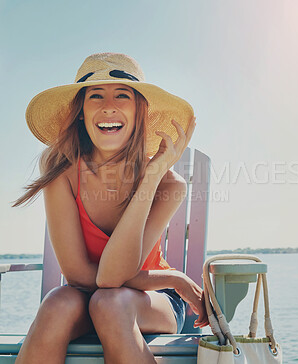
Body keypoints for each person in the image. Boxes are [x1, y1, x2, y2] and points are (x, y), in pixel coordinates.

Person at [13, 53, 208, 364]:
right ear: (80, 111)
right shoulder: (61, 173)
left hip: (150, 301)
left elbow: (115, 280)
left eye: (122, 94)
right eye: (95, 96)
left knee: (111, 304)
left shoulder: (169, 185)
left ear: (139, 110)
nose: (108, 106)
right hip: (90, 291)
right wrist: (177, 279)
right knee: (56, 305)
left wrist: (152, 176)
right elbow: (80, 275)